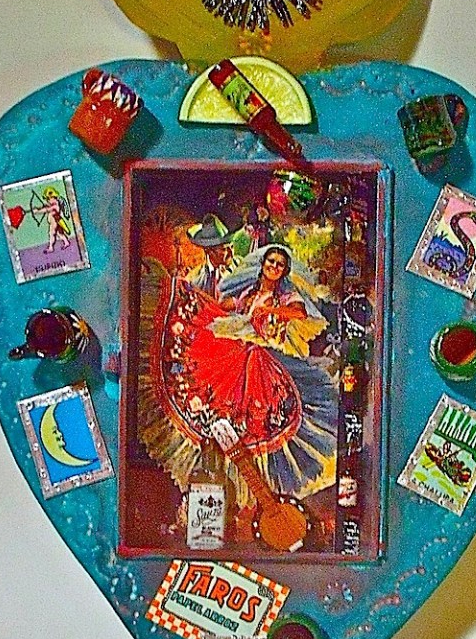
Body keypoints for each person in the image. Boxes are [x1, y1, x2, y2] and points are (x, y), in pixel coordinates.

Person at [137, 243, 339, 507]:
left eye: (279, 264)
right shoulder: (249, 293)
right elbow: (230, 309)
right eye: (270, 262)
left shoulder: (285, 296)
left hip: (259, 354)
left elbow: (299, 312)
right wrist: (211, 303)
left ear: (284, 271)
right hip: (238, 346)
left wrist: (270, 311)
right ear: (262, 264)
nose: (274, 267)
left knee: (257, 410)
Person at [185, 213, 237, 300]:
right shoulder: (194, 279)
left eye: (231, 247)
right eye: (224, 249)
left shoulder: (240, 268)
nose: (231, 253)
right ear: (209, 252)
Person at [34, 186, 71, 254]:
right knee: (60, 233)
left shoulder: (55, 206)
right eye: (47, 199)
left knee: (52, 234)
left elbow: (47, 209)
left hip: (55, 222)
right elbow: (47, 207)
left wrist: (37, 211)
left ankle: (51, 247)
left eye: (48, 199)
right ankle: (66, 242)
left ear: (53, 197)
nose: (48, 200)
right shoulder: (52, 204)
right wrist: (40, 207)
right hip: (56, 221)